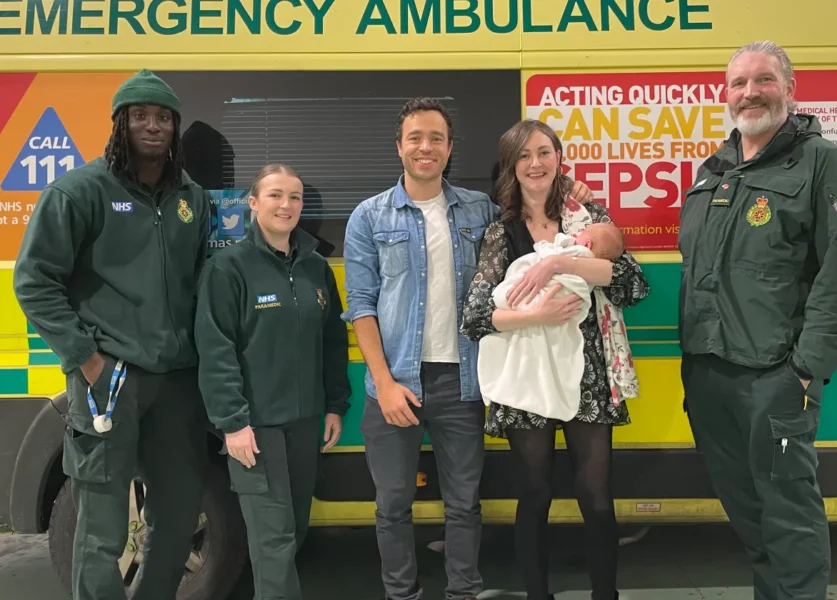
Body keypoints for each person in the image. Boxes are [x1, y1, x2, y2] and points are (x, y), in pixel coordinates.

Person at [342, 97, 594, 600]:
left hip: (463, 380)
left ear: (450, 148)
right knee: (392, 504)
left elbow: (535, 207)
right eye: (415, 137)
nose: (425, 147)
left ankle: (463, 593)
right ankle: (402, 594)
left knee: (464, 504)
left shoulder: (478, 209)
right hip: (396, 384)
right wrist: (386, 384)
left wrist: (570, 191)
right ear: (399, 147)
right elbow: (362, 307)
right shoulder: (368, 217)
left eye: (436, 138)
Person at [678, 41, 837, 600]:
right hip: (711, 374)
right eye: (739, 82)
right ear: (726, 94)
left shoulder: (824, 163)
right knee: (746, 510)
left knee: (788, 511)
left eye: (763, 80)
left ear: (789, 89)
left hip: (775, 377)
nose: (750, 92)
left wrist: (807, 369)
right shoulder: (714, 170)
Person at [12, 70, 210, 600]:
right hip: (110, 381)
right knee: (100, 528)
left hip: (177, 384)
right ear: (121, 123)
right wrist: (87, 358)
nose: (153, 126)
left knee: (176, 517)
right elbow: (33, 281)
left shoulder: (193, 197)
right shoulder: (78, 191)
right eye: (141, 116)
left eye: (164, 117)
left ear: (175, 126)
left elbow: (201, 282)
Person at [460, 119, 650, 600]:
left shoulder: (587, 217)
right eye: (524, 155)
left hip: (588, 375)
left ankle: (605, 594)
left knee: (596, 496)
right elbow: (477, 316)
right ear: (511, 166)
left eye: (544, 152)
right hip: (528, 379)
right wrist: (538, 314)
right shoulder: (501, 232)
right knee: (535, 494)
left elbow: (632, 285)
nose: (536, 163)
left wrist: (561, 262)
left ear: (559, 158)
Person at [194, 163, 351, 599]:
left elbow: (332, 340)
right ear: (253, 202)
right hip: (255, 425)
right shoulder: (228, 269)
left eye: (295, 197)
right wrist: (232, 422)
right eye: (276, 195)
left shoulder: (316, 267)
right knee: (273, 538)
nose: (286, 205)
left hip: (304, 423)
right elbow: (216, 348)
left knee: (295, 527)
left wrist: (335, 404)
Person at [477, 223, 626, 422]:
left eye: (580, 235)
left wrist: (554, 262)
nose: (575, 235)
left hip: (589, 381)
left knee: (508, 297)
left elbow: (628, 279)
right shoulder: (503, 227)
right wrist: (536, 316)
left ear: (587, 243)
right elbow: (475, 316)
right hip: (534, 354)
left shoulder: (581, 229)